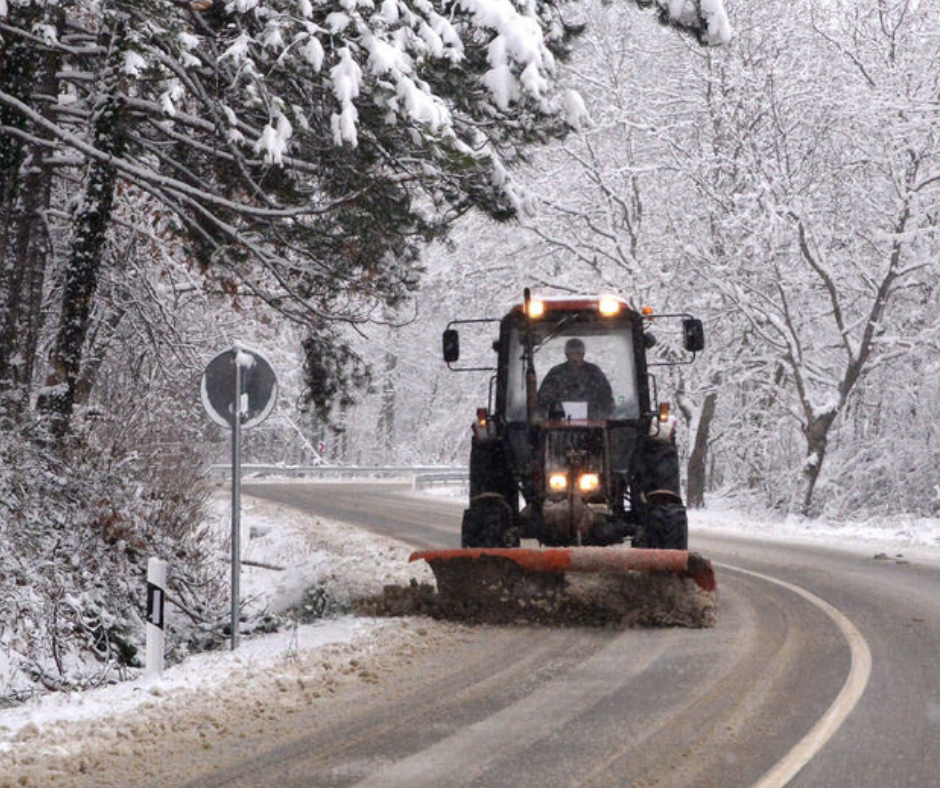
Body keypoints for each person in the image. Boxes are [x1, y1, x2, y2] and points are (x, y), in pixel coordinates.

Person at [538, 338, 613, 419]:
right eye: (571, 353)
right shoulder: (555, 373)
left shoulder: (594, 373)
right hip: (559, 426)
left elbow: (607, 399)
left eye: (578, 353)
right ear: (566, 355)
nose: (575, 357)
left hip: (592, 425)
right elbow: (543, 400)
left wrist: (598, 416)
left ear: (583, 354)